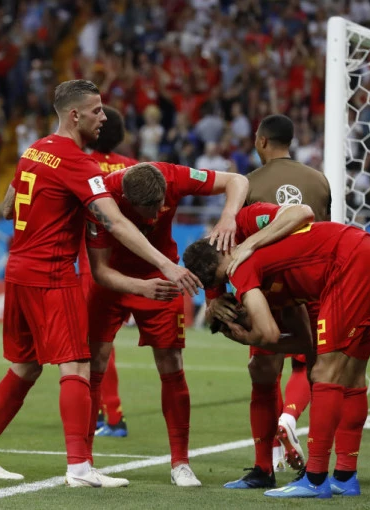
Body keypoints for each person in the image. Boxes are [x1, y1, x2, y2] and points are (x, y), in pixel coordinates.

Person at [0, 80, 201, 487]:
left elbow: (6, 207)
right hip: (51, 274)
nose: (103, 118)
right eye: (97, 110)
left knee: (25, 366)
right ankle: (79, 468)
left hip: (18, 268)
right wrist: (166, 265)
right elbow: (116, 222)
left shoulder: (33, 150)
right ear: (75, 115)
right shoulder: (76, 162)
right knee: (76, 365)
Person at [183, 203, 370, 498]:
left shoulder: (239, 266)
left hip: (349, 263)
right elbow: (304, 342)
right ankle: (345, 477)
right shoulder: (275, 270)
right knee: (353, 377)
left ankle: (315, 479)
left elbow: (268, 333)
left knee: (324, 373)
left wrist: (245, 337)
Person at [85, 161, 248, 486]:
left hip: (165, 278)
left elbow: (237, 180)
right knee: (94, 365)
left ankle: (180, 463)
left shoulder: (173, 176)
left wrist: (228, 216)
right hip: (114, 281)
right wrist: (141, 287)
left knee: (172, 363)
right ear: (128, 203)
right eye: (150, 211)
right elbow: (100, 271)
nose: (158, 214)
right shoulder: (102, 200)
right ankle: (83, 461)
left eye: (162, 205)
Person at [206, 114, 331, 489]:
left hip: (266, 291)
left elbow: (226, 243)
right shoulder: (319, 180)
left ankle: (264, 468)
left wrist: (216, 298)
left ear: (261, 141)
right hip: (314, 286)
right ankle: (319, 468)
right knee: (318, 370)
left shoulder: (247, 184)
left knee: (263, 373)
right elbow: (324, 228)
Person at [82, 105, 138, 438]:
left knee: (96, 345)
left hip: (93, 265)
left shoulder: (82, 164)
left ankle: (112, 415)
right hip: (128, 264)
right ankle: (105, 413)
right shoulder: (132, 167)